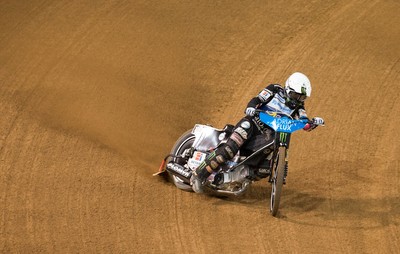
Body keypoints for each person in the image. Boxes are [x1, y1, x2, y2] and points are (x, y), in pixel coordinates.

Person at [190, 72, 324, 193]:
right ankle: (198, 174)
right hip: (253, 123)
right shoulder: (274, 89)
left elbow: (304, 122)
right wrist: (251, 107)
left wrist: (313, 123)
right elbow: (257, 100)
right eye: (295, 95)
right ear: (288, 89)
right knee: (229, 149)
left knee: (265, 168)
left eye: (302, 97)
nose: (297, 100)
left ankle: (234, 179)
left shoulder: (299, 107)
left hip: (269, 136)